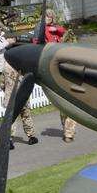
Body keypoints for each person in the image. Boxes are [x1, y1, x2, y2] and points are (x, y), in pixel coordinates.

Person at [38, 10, 77, 142]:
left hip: (66, 68)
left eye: (49, 16)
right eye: (45, 16)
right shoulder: (42, 30)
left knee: (70, 103)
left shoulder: (57, 29)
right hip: (53, 70)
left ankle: (69, 133)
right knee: (62, 106)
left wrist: (54, 28)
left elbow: (64, 33)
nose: (47, 18)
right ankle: (66, 129)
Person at [2, 60, 38, 148]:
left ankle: (9, 139)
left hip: (10, 96)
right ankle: (31, 136)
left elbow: (2, 84)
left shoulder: (6, 66)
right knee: (26, 116)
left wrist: (6, 90)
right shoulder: (23, 65)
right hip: (22, 95)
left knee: (11, 118)